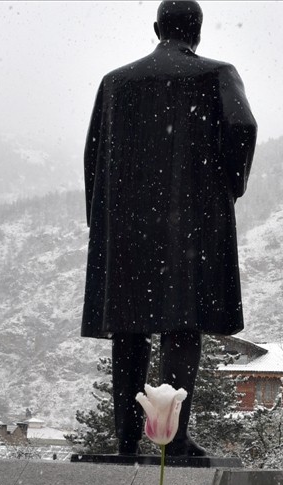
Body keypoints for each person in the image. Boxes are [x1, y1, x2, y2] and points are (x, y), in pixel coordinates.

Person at [82, 0, 257, 456]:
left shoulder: (116, 82)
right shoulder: (216, 75)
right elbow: (242, 127)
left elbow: (92, 158)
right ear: (197, 31)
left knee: (129, 330)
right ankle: (173, 439)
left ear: (156, 26)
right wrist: (226, 187)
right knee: (183, 326)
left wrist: (102, 221)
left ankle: (125, 441)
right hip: (190, 227)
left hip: (126, 230)